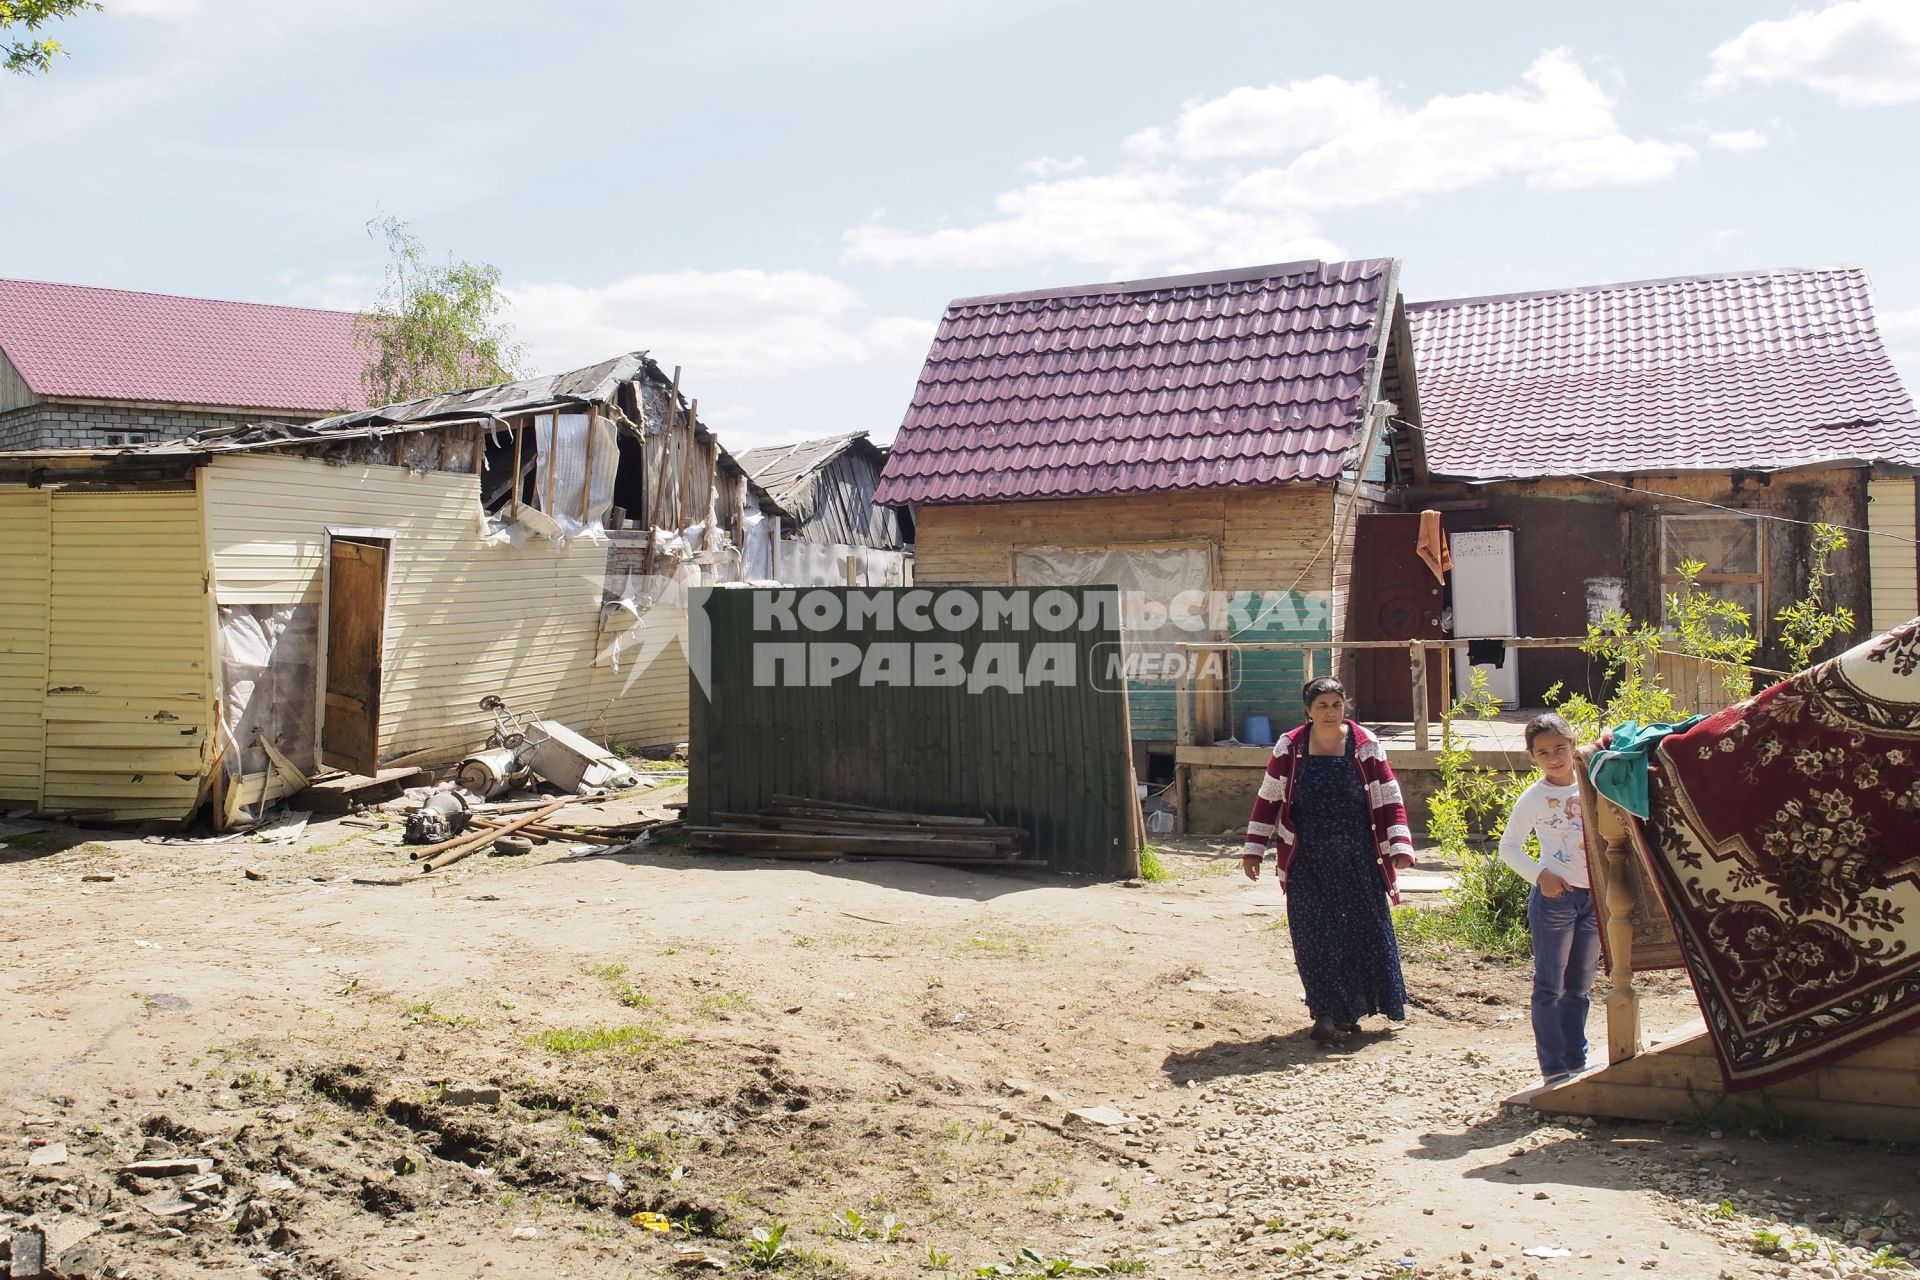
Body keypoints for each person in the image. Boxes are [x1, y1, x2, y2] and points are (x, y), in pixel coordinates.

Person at [1242, 676, 1416, 1047]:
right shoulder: (1289, 747)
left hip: (1358, 856)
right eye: (1321, 706)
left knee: (1358, 933)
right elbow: (1269, 798)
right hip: (1306, 857)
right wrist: (1253, 847)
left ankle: (1347, 1013)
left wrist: (1399, 844)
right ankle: (1324, 1013)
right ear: (1307, 711)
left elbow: (1388, 795)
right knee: (1312, 935)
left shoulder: (1365, 744)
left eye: (1336, 704)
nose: (1330, 712)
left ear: (1345, 707)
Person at [1497, 712, 1599, 1086]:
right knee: (1550, 985)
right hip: (1556, 900)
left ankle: (1577, 1058)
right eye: (1543, 752)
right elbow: (1509, 848)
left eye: (1560, 747)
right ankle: (1554, 1067)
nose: (1554, 757)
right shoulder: (1535, 798)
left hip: (1595, 899)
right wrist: (1542, 877)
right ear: (1532, 757)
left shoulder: (1592, 785)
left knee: (1580, 986)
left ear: (1573, 745)